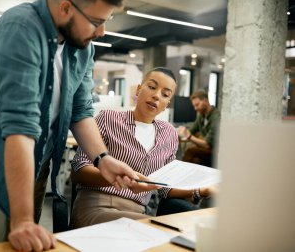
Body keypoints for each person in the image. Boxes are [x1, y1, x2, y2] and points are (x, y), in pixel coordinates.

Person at [0, 0, 138, 251]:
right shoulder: (20, 28)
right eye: (96, 22)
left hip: (36, 167)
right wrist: (22, 220)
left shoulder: (82, 48)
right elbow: (20, 126)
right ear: (65, 7)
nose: (101, 32)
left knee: (26, 245)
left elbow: (80, 111)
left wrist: (102, 159)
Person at [69, 68, 217, 229]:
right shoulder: (108, 119)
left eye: (165, 94)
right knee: (158, 232)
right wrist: (119, 180)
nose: (156, 96)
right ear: (139, 90)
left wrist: (201, 190)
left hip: (137, 213)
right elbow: (78, 170)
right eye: (152, 87)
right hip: (97, 206)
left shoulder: (168, 134)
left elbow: (165, 189)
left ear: (167, 104)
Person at [177, 90, 220, 167]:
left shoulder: (216, 117)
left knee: (190, 151)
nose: (195, 108)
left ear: (205, 101)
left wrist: (189, 136)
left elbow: (207, 145)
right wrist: (181, 134)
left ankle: (179, 171)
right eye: (194, 106)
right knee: (195, 161)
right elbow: (191, 131)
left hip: (216, 152)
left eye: (197, 105)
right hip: (206, 149)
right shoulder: (201, 115)